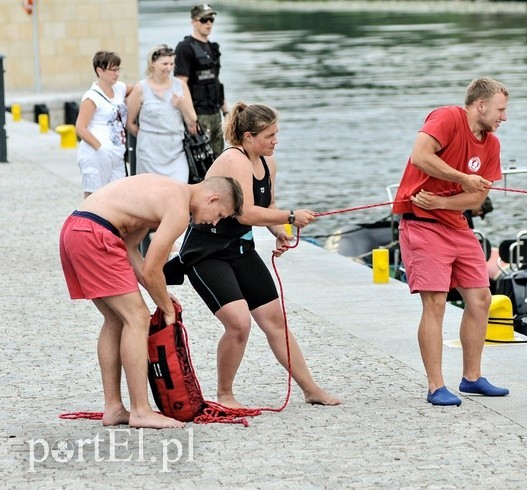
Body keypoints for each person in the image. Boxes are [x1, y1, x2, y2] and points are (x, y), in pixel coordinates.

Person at [166, 102, 340, 408]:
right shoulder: (234, 160)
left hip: (240, 249)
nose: (276, 141)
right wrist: (290, 217)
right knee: (239, 323)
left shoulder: (268, 163)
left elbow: (268, 208)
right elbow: (245, 213)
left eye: (277, 133)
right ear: (248, 136)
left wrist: (280, 231)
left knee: (275, 320)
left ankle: (310, 388)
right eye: (269, 135)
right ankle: (225, 394)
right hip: (206, 252)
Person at [59, 174, 244, 428]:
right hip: (94, 233)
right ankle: (140, 411)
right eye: (220, 214)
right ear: (213, 199)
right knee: (137, 318)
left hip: (76, 228)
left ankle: (113, 408)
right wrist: (166, 308)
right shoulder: (178, 209)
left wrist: (161, 295)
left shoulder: (165, 192)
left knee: (116, 319)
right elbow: (151, 270)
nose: (214, 222)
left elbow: (130, 248)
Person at [392, 77, 511, 407]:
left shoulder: (493, 145)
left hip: (454, 223)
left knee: (481, 298)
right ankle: (435, 386)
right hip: (421, 225)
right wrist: (462, 179)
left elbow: (477, 199)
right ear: (481, 105)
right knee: (436, 302)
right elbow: (420, 156)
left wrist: (443, 202)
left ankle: (472, 378)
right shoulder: (446, 117)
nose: (504, 117)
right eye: (501, 110)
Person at [126, 44, 199, 183]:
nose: (169, 68)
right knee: (150, 192)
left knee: (179, 187)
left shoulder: (180, 86)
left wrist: (182, 105)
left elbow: (192, 120)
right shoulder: (140, 88)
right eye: (165, 63)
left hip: (175, 149)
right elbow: (129, 122)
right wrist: (144, 136)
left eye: (172, 64)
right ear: (153, 63)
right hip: (148, 152)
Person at [75, 51, 133, 199]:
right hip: (97, 153)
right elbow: (80, 127)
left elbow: (139, 89)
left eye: (118, 69)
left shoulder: (119, 88)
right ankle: (86, 223)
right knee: (94, 197)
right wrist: (100, 148)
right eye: (113, 70)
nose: (117, 73)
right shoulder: (92, 96)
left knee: (119, 196)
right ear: (100, 71)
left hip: (117, 153)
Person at [175, 4, 228, 159]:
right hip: (199, 114)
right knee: (201, 161)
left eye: (211, 19)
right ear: (194, 21)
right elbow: (181, 83)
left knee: (218, 158)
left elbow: (216, 81)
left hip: (215, 113)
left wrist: (226, 111)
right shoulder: (185, 48)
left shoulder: (213, 48)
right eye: (204, 20)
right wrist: (191, 117)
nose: (209, 23)